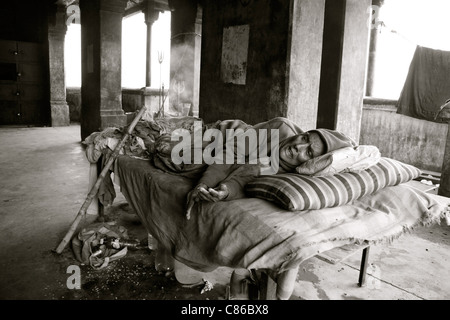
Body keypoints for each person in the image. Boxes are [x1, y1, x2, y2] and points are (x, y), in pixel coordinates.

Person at [185, 117, 356, 218]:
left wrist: (226, 191)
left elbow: (248, 177)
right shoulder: (281, 127)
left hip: (235, 154)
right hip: (226, 134)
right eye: (304, 138)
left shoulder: (287, 172)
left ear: (310, 163)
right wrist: (204, 184)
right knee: (178, 155)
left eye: (309, 153)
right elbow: (231, 152)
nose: (299, 146)